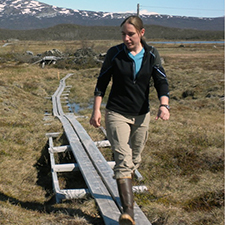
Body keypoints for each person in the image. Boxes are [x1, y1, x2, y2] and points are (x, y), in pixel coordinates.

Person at [90, 15, 170, 225]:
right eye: (123, 34)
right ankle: (128, 212)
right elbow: (102, 83)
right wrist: (96, 111)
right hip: (117, 112)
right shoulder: (114, 54)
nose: (126, 38)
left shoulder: (151, 54)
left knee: (134, 160)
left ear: (142, 33)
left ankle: (125, 195)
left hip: (142, 115)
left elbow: (161, 81)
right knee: (123, 161)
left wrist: (164, 105)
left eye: (131, 34)